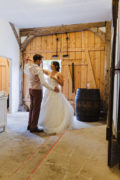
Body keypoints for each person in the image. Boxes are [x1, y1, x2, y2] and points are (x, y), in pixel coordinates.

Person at [24, 54, 59, 133]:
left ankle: (29, 125)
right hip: (37, 90)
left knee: (32, 108)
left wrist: (26, 62)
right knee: (36, 109)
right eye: (41, 60)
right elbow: (43, 82)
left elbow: (25, 70)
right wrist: (53, 88)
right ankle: (34, 127)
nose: (42, 61)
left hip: (30, 89)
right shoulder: (39, 69)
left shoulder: (30, 68)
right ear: (38, 60)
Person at [38, 61, 74, 134]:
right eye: (51, 64)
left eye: (52, 65)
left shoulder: (59, 74)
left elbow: (62, 84)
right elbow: (40, 69)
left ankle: (56, 124)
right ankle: (48, 123)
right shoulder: (49, 72)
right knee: (48, 107)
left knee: (55, 108)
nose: (51, 65)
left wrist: (55, 79)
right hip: (48, 92)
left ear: (56, 66)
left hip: (56, 91)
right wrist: (31, 61)